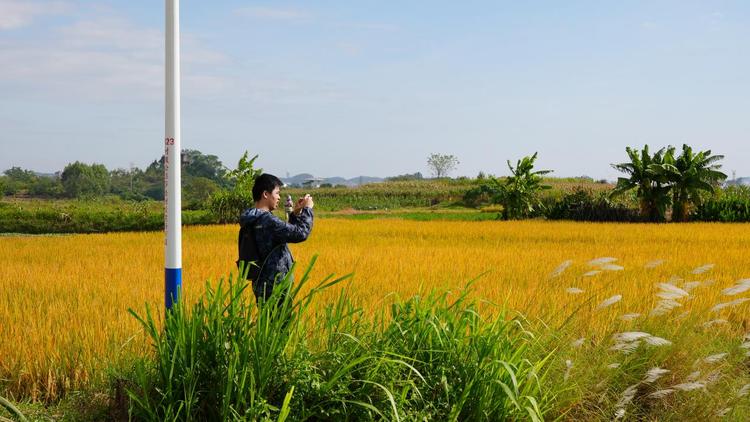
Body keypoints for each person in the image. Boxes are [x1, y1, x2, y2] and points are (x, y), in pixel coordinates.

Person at [238, 173, 314, 303]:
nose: (279, 197)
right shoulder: (267, 220)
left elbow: (285, 232)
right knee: (281, 322)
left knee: (267, 322)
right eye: (277, 193)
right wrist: (307, 209)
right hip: (276, 286)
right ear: (266, 194)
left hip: (261, 284)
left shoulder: (251, 218)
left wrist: (295, 214)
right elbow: (300, 233)